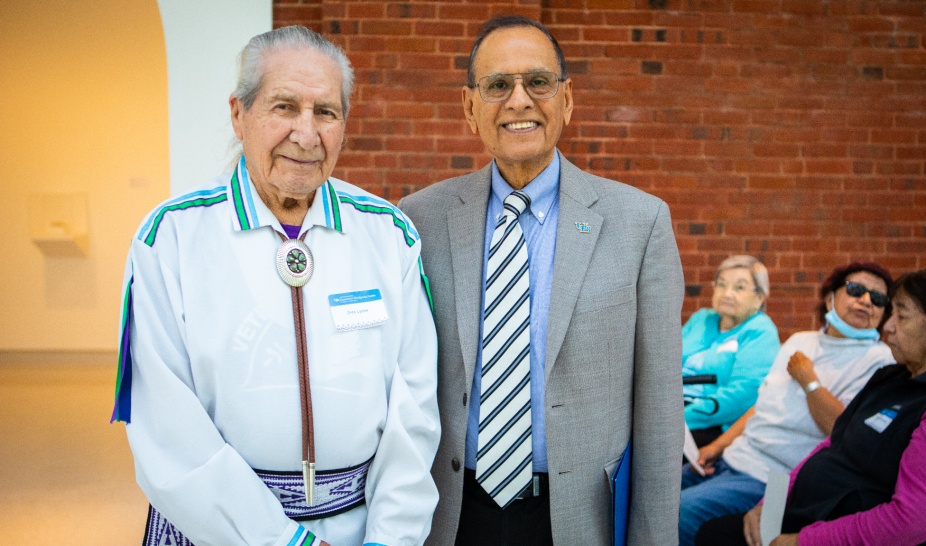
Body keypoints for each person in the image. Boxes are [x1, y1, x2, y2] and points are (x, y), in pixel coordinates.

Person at [110, 26, 439, 546]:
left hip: (360, 530)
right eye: (284, 107)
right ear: (239, 116)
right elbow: (166, 427)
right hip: (218, 532)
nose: (307, 135)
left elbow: (414, 408)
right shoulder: (170, 238)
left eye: (326, 112)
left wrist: (391, 536)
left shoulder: (387, 234)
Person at [399, 15, 684, 546]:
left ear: (567, 99)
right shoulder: (418, 220)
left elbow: (661, 412)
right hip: (449, 516)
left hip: (580, 520)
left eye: (538, 82)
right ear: (469, 107)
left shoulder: (639, 223)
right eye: (498, 85)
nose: (519, 101)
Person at [696, 269, 926, 546]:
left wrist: (804, 540)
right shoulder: (890, 376)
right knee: (696, 521)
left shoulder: (879, 360)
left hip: (793, 495)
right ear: (830, 299)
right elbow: (831, 441)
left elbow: (909, 522)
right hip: (776, 485)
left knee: (683, 517)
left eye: (897, 314)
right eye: (855, 290)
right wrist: (768, 504)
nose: (888, 325)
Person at [683, 255, 780, 447]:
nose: (727, 294)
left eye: (739, 287)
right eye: (721, 284)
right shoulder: (702, 319)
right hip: (668, 408)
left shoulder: (760, 331)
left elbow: (743, 394)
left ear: (759, 298)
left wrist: (679, 419)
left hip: (711, 423)